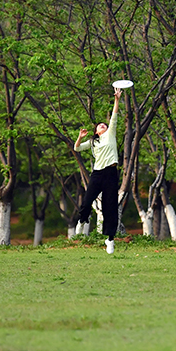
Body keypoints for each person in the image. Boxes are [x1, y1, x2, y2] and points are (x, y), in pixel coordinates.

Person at [73, 87, 123, 254]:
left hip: (111, 174)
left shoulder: (110, 135)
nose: (104, 126)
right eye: (101, 126)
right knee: (87, 202)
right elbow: (77, 148)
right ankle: (81, 220)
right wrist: (80, 136)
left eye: (105, 125)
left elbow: (114, 116)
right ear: (96, 131)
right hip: (97, 174)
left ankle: (109, 239)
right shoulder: (93, 142)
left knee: (110, 207)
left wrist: (116, 99)